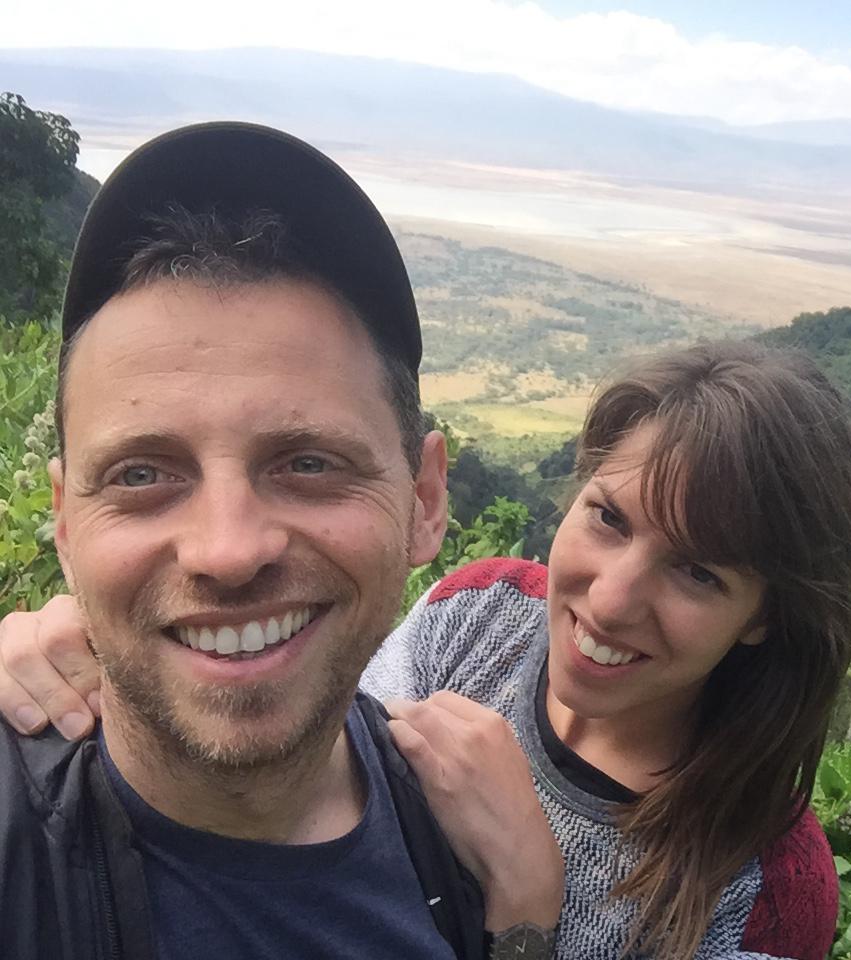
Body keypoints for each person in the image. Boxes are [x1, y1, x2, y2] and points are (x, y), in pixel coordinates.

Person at [3, 335, 851, 958]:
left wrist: (530, 915)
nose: (610, 601)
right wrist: (116, 650)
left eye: (696, 573)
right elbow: (301, 753)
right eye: (608, 518)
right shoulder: (483, 612)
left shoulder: (762, 887)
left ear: (766, 613)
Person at [0, 122, 563, 960]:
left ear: (424, 499)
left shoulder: (469, 841)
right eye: (143, 476)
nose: (226, 551)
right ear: (69, 523)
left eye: (307, 462)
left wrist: (524, 929)